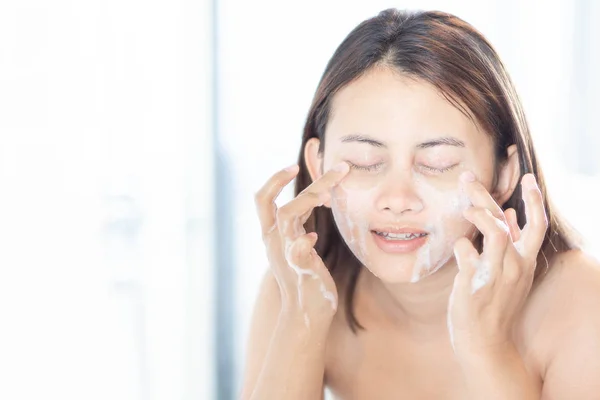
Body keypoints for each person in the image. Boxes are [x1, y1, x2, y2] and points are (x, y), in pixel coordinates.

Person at [240, 8, 600, 399]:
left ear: (503, 175)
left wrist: (487, 350)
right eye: (364, 162)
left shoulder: (582, 307)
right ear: (318, 164)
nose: (397, 200)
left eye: (436, 164)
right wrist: (301, 321)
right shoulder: (297, 288)